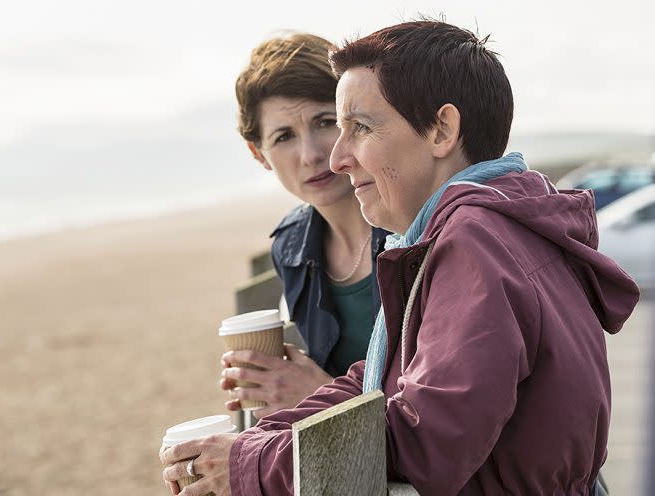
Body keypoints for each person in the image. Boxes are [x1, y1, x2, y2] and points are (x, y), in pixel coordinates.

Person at [161, 20, 639, 495]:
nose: (336, 158)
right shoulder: (482, 226)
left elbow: (424, 440)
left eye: (360, 128)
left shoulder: (477, 244)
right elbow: (382, 385)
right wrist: (256, 440)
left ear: (442, 130)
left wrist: (250, 465)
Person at [219, 32, 389, 419]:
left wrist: (319, 394)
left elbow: (441, 407)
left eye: (325, 121)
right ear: (259, 154)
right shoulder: (292, 248)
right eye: (284, 137)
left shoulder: (415, 223)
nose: (311, 154)